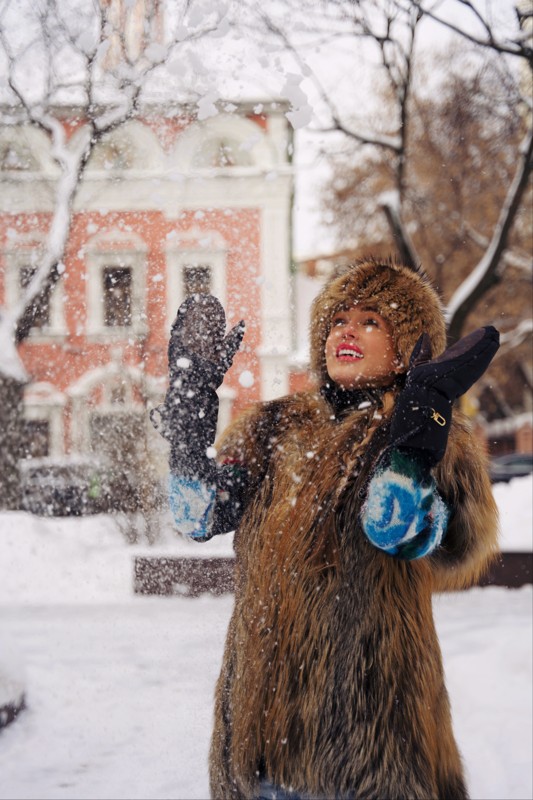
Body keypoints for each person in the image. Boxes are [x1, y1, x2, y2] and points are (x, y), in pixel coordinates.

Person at [152, 258, 500, 800]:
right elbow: (197, 517)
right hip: (262, 736)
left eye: (371, 321)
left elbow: (404, 534)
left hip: (370, 740)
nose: (347, 331)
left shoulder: (438, 442)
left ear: (411, 346)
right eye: (337, 320)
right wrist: (188, 429)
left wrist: (414, 439)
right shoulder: (273, 427)